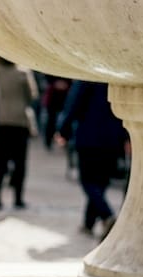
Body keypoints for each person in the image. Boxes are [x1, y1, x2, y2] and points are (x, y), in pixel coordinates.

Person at [56, 79, 128, 240]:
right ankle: (88, 224)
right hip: (112, 139)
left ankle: (107, 215)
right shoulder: (115, 74)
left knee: (88, 181)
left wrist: (63, 130)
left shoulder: (87, 74)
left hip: (89, 137)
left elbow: (73, 103)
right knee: (100, 182)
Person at [0, 55, 37, 209]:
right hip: (19, 122)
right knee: (20, 163)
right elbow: (32, 96)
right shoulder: (22, 72)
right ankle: (18, 199)